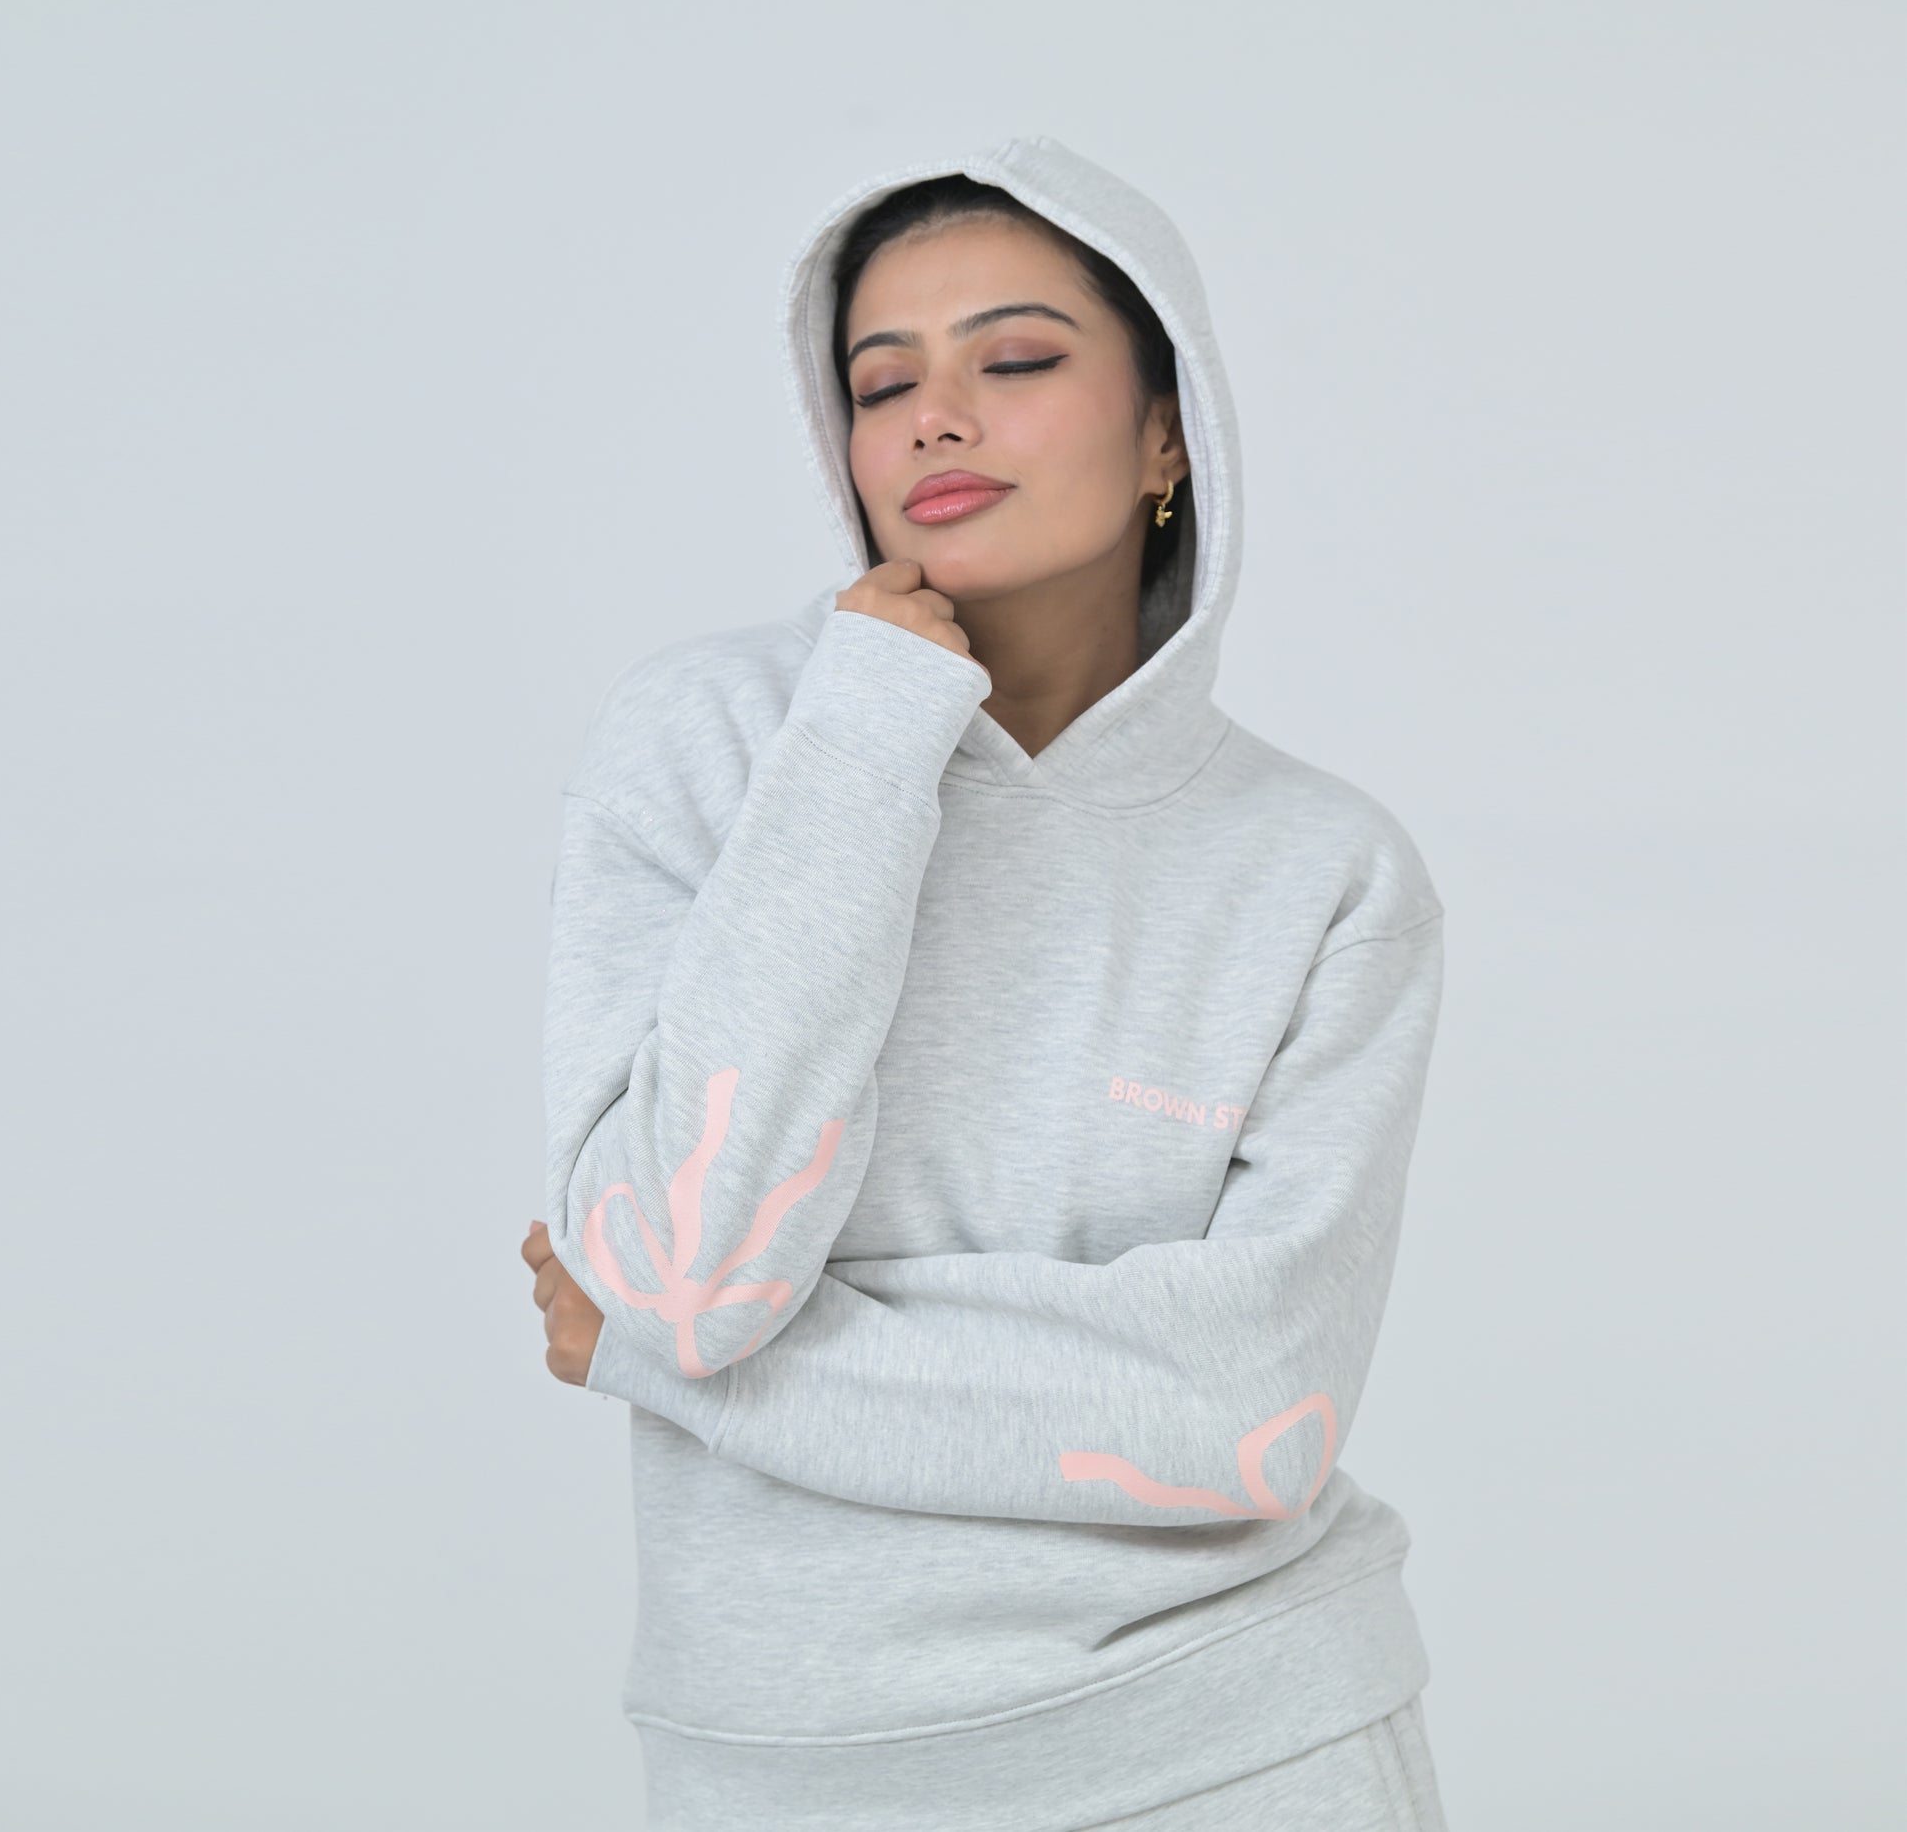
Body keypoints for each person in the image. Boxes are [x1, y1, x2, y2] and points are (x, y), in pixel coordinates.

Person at [521, 133, 1452, 1831]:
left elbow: (1243, 1414)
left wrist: (662, 1362)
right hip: (786, 1767)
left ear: (1166, 431)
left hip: (1246, 1742)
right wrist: (864, 733)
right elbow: (691, 1272)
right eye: (882, 384)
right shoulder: (710, 745)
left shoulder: (1323, 868)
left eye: (1013, 360)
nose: (934, 420)